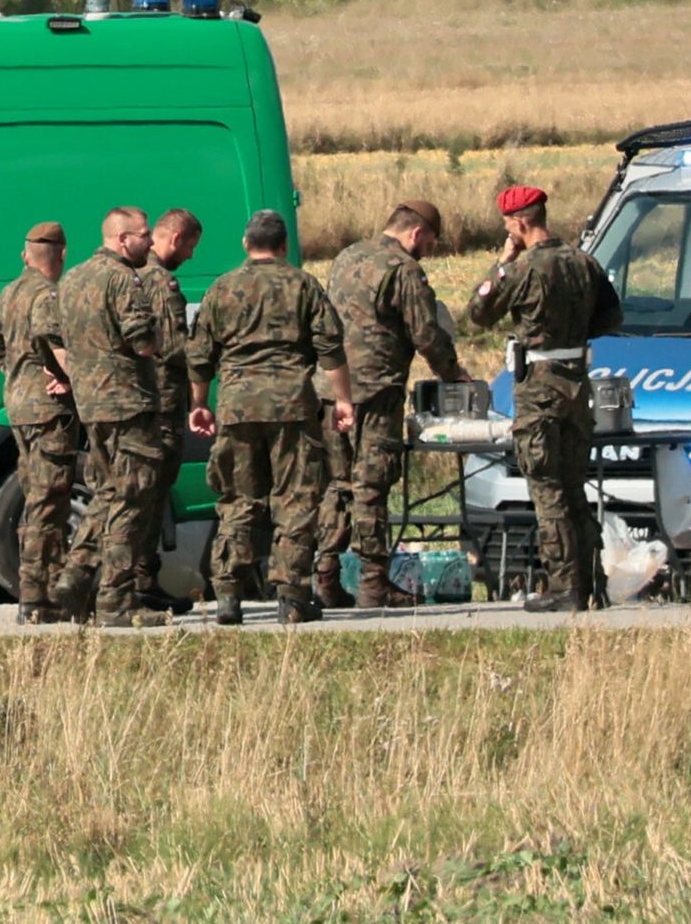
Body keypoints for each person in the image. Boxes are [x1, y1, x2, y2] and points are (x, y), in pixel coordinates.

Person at [188, 209, 353, 626]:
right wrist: (344, 399)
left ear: (246, 244)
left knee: (238, 500)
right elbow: (330, 348)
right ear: (283, 246)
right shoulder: (303, 285)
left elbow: (200, 355)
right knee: (295, 500)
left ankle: (227, 594)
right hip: (291, 407)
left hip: (237, 405)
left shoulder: (222, 288)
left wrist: (199, 403)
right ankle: (291, 595)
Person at [466, 185, 624, 613]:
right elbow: (612, 315)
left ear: (519, 223)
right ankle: (593, 583)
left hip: (539, 388)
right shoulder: (583, 261)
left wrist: (503, 261)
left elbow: (478, 312)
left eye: (507, 225)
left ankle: (563, 585)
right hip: (577, 382)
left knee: (547, 488)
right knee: (575, 488)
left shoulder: (525, 269)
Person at [314, 200, 468, 611]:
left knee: (337, 485)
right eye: (430, 243)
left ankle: (325, 576)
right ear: (416, 234)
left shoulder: (348, 256)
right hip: (375, 392)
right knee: (371, 484)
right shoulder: (404, 269)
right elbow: (426, 333)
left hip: (331, 389)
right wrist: (453, 373)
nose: (428, 251)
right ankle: (373, 584)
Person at [50, 206, 167, 628]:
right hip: (128, 404)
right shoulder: (123, 278)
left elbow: (51, 338)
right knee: (132, 497)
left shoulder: (73, 279)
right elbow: (144, 343)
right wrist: (158, 335)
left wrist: (72, 373)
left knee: (107, 492)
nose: (151, 242)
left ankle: (76, 577)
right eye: (144, 235)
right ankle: (116, 601)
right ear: (122, 239)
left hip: (92, 405)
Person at [0, 221, 77, 624]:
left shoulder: (11, 291)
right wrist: (60, 374)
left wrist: (12, 370)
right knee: (49, 498)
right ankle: (36, 595)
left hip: (18, 405)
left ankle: (39, 587)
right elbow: (50, 341)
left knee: (36, 491)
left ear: (25, 255)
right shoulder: (45, 294)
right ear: (62, 254)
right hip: (47, 407)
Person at [134, 208, 202, 614]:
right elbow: (173, 346)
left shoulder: (131, 274)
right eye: (191, 246)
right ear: (176, 239)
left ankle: (145, 578)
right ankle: (141, 580)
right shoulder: (160, 282)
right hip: (161, 400)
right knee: (154, 493)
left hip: (140, 399)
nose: (191, 256)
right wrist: (208, 351)